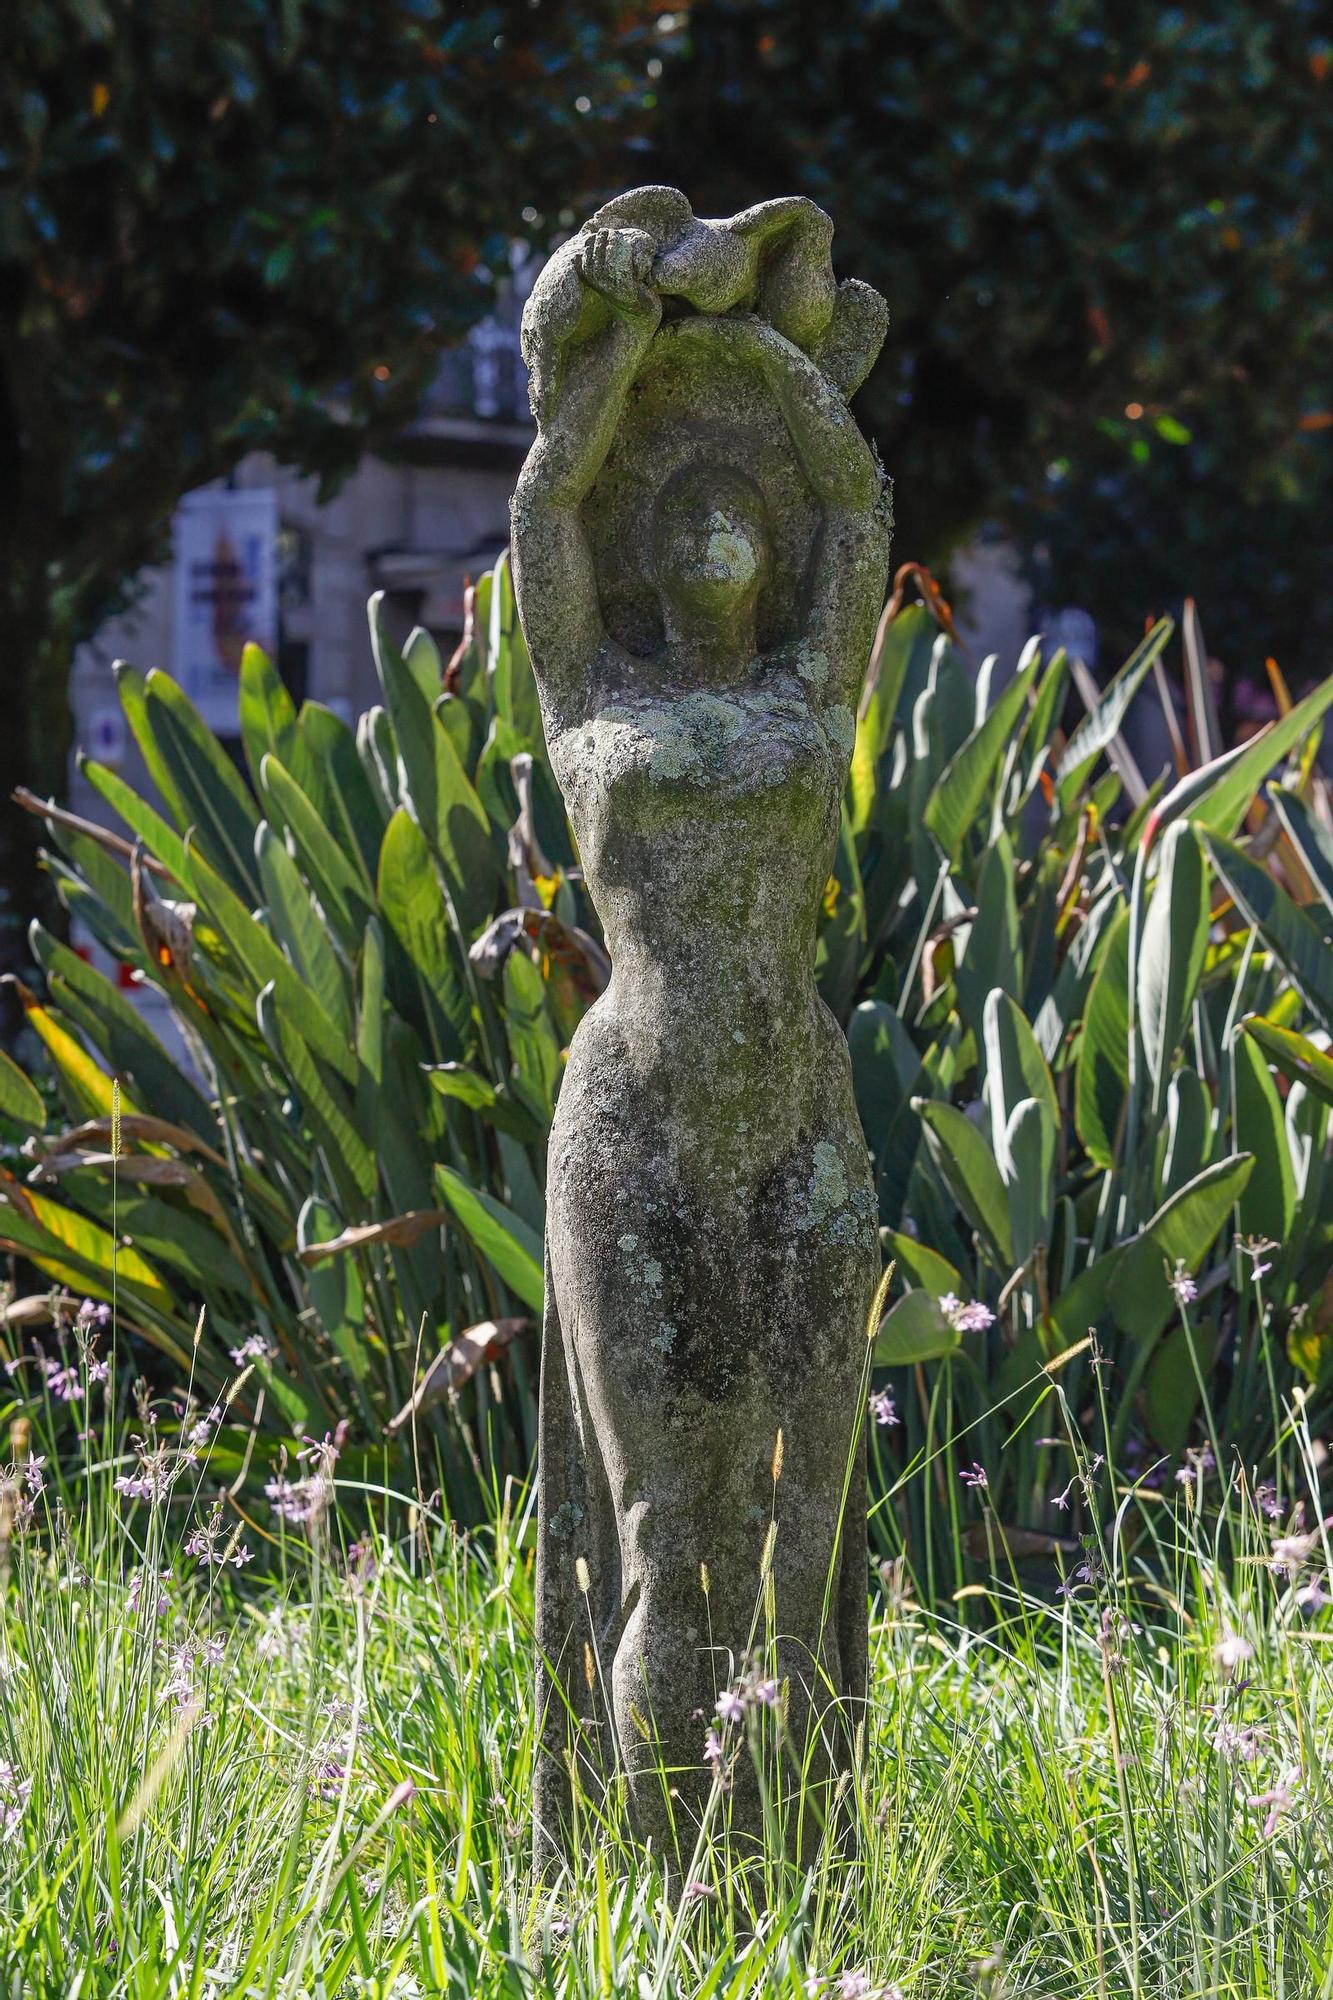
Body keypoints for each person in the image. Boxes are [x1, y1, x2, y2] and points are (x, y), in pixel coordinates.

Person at [513, 207, 891, 1864]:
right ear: (645, 556)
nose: (719, 524)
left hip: (797, 1113)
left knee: (801, 1539)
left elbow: (862, 503)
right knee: (669, 1536)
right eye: (684, 511)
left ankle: (793, 1886)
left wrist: (756, 369)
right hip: (638, 1117)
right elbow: (542, 504)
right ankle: (657, 1902)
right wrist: (605, 375)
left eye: (747, 509)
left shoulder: (813, 693)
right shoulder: (589, 693)